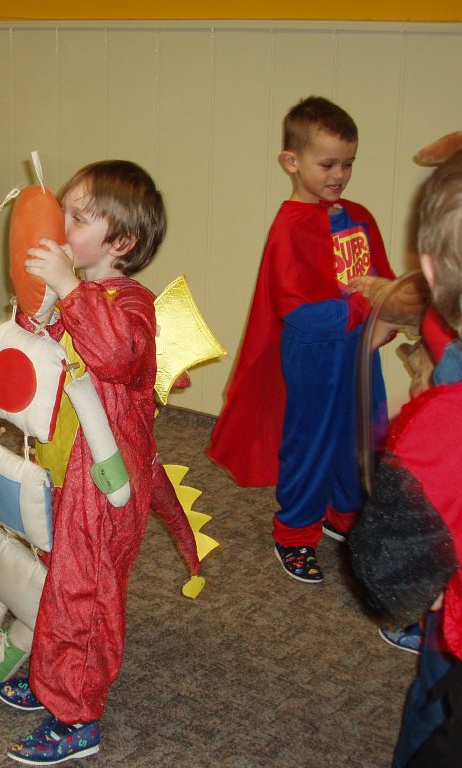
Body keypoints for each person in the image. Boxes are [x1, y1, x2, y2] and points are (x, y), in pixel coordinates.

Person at [0, 160, 166, 763]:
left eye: (78, 217)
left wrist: (68, 287)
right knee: (55, 573)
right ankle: (54, 675)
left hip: (105, 481)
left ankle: (76, 713)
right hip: (63, 463)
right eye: (62, 209)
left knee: (84, 592)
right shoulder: (77, 293)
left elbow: (115, 352)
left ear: (122, 242)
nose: (60, 224)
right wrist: (37, 304)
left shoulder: (133, 304)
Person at [207, 96, 396, 583]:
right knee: (312, 441)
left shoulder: (358, 216)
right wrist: (363, 306)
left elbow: (384, 279)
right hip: (314, 357)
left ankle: (344, 516)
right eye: (327, 164)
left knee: (361, 436)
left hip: (359, 353)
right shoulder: (289, 227)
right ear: (291, 161)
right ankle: (294, 533)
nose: (340, 175)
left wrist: (390, 310)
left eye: (348, 163)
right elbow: (297, 310)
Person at [349, 153, 462, 768]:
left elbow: (386, 572)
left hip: (455, 645)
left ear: (430, 271)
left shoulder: (437, 428)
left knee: (433, 710)